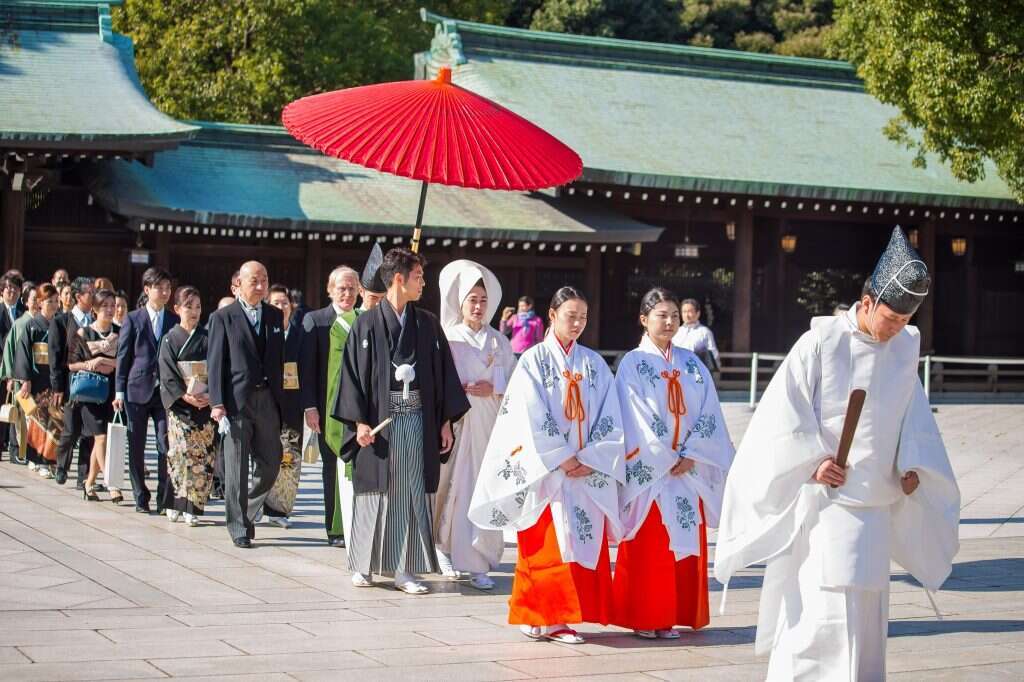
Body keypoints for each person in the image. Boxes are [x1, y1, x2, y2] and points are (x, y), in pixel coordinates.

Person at [714, 227, 960, 681]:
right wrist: (811, 463)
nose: (896, 330)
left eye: (905, 322)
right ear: (866, 303)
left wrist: (910, 466)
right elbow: (781, 415)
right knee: (818, 620)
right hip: (828, 505)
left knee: (867, 621)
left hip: (877, 505)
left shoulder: (905, 347)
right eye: (890, 319)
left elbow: (913, 415)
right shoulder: (822, 342)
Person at [470, 286, 624, 644]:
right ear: (552, 316)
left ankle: (559, 617)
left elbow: (610, 415)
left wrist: (591, 456)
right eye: (571, 316)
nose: (578, 323)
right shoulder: (533, 360)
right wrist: (562, 456)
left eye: (583, 317)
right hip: (548, 470)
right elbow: (528, 415)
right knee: (545, 544)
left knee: (577, 542)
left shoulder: (594, 364)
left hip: (585, 469)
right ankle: (547, 617)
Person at [334, 248, 469, 594]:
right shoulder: (365, 324)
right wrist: (359, 422)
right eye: (418, 276)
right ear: (399, 279)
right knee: (373, 493)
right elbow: (351, 377)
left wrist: (444, 423)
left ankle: (404, 569)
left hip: (417, 419)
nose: (423, 282)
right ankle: (363, 562)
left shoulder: (427, 324)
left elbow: (442, 378)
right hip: (379, 421)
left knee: (409, 493)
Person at [611, 288, 734, 639]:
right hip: (653, 470)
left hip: (688, 468)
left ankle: (673, 614)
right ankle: (645, 616)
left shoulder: (692, 363)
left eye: (674, 316)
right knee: (650, 543)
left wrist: (693, 452)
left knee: (681, 542)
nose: (669, 322)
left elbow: (710, 410)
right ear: (643, 319)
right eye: (661, 315)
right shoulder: (633, 363)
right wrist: (666, 455)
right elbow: (634, 416)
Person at [434, 260, 516, 590]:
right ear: (460, 302)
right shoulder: (449, 338)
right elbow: (439, 382)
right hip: (458, 423)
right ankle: (444, 549)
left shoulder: (500, 342)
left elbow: (513, 382)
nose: (478, 306)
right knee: (453, 488)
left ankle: (480, 560)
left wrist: (494, 387)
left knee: (485, 490)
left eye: (483, 300)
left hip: (489, 426)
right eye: (472, 299)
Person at [207, 261, 285, 548]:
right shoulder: (223, 317)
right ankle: (238, 526)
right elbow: (215, 364)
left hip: (267, 398)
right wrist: (217, 403)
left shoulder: (275, 316)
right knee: (236, 467)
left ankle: (247, 510)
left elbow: (280, 361)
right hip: (236, 401)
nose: (261, 285)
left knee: (272, 463)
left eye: (264, 279)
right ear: (237, 284)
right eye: (254, 280)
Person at [299, 265, 362, 547]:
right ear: (330, 290)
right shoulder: (316, 321)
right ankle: (334, 529)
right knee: (331, 470)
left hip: (359, 411)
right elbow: (307, 369)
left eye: (352, 288)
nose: (347, 294)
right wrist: (310, 407)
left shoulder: (364, 319)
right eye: (342, 288)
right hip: (327, 411)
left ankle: (356, 524)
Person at [113, 268, 179, 514]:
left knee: (165, 444)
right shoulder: (133, 318)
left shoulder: (173, 320)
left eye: (167, 288)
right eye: (159, 288)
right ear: (147, 289)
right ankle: (141, 495)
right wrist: (119, 391)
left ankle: (164, 497)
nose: (164, 292)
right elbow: (124, 356)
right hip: (136, 389)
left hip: (164, 392)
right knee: (136, 445)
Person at [159, 286, 215, 526]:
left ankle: (193, 506)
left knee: (203, 457)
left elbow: (220, 367)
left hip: (206, 405)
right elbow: (167, 374)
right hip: (182, 406)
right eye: (188, 306)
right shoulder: (170, 339)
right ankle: (174, 502)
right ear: (177, 309)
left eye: (198, 306)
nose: (194, 311)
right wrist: (185, 395)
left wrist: (213, 394)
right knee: (180, 455)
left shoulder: (209, 337)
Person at [67, 289, 121, 503]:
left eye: (112, 305)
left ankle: (89, 484)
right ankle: (112, 483)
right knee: (100, 437)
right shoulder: (83, 333)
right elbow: (71, 364)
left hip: (111, 392)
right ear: (95, 309)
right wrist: (91, 364)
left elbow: (125, 363)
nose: (109, 309)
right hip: (90, 393)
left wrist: (105, 362)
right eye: (104, 305)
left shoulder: (120, 332)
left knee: (102, 439)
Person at [12, 285, 64, 473]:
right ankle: (38, 459)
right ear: (40, 302)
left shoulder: (60, 324)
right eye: (50, 301)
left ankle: (50, 460)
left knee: (56, 421)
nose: (54, 305)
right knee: (39, 421)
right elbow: (24, 353)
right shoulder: (32, 325)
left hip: (55, 378)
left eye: (56, 301)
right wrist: (25, 379)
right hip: (38, 377)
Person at [264, 284, 303, 528]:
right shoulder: (265, 333)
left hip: (293, 405)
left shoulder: (301, 333)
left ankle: (279, 509)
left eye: (284, 302)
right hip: (267, 403)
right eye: (276, 303)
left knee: (289, 457)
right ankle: (258, 503)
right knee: (265, 458)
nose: (281, 307)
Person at [51, 277, 95, 486]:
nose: (94, 297)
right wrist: (57, 386)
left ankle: (83, 476)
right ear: (79, 297)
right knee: (70, 429)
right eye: (90, 294)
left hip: (93, 382)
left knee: (89, 430)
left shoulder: (96, 321)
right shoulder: (61, 321)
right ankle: (62, 466)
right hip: (70, 382)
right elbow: (55, 355)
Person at [0, 273, 26, 460]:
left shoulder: (23, 312)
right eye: (8, 287)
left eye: (15, 288)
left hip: (18, 366)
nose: (11, 291)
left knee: (16, 408)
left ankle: (14, 448)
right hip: (1, 365)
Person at [671, 299, 720, 372]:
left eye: (690, 311)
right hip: (678, 372)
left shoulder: (705, 332)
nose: (687, 315)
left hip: (699, 373)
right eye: (684, 312)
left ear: (698, 313)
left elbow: (713, 353)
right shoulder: (676, 331)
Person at [358, 243, 387, 312]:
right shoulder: (345, 322)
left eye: (383, 299)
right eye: (373, 297)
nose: (378, 304)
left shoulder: (393, 321)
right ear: (361, 291)